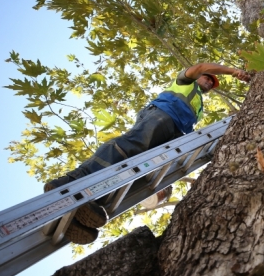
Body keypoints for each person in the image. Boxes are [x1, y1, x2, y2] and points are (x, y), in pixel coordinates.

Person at [44, 62, 250, 244]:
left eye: (212, 84)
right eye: (208, 78)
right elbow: (201, 66)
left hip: (177, 132)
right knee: (130, 147)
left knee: (138, 172)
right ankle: (70, 181)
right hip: (163, 116)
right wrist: (233, 71)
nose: (209, 82)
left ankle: (87, 208)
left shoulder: (199, 105)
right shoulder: (185, 83)